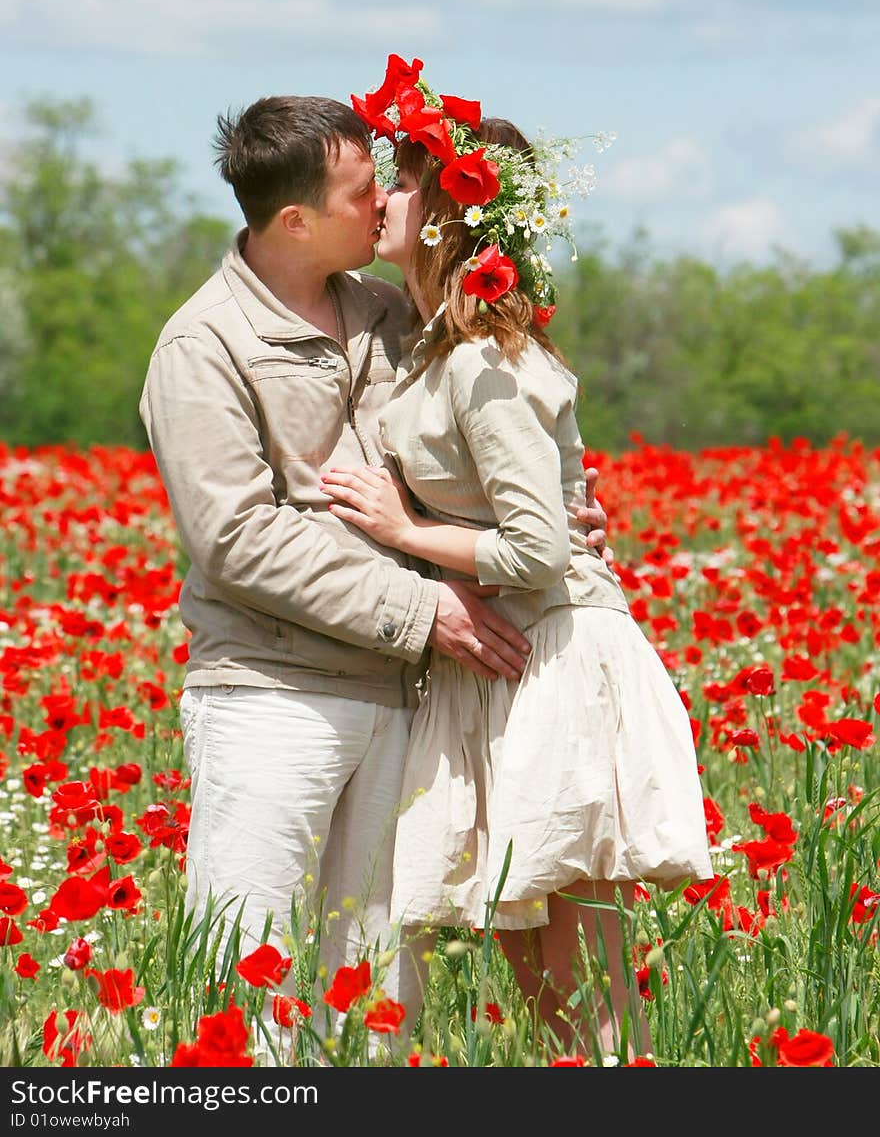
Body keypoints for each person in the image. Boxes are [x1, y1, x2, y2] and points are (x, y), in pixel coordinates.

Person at [138, 90, 610, 1042]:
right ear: (294, 220)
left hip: (407, 699)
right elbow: (239, 540)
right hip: (276, 694)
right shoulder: (203, 348)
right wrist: (424, 609)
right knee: (250, 985)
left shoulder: (397, 312)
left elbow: (486, 439)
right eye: (367, 190)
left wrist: (562, 507)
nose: (389, 205)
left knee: (378, 999)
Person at [318, 62, 714, 1059]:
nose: (379, 196)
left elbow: (538, 548)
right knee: (544, 989)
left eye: (401, 181)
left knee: (586, 999)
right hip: (505, 659)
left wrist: (403, 528)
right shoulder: (438, 349)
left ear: (451, 212)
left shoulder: (485, 361)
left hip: (555, 658)